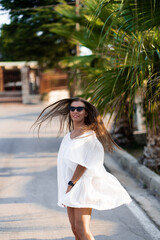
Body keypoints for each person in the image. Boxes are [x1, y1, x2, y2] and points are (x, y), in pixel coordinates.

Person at [33, 97, 132, 240]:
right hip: (70, 184)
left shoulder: (89, 136)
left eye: (79, 109)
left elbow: (83, 164)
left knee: (82, 228)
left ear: (86, 113)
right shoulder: (69, 136)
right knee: (74, 229)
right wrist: (68, 184)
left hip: (81, 184)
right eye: (72, 109)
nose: (75, 111)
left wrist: (71, 183)